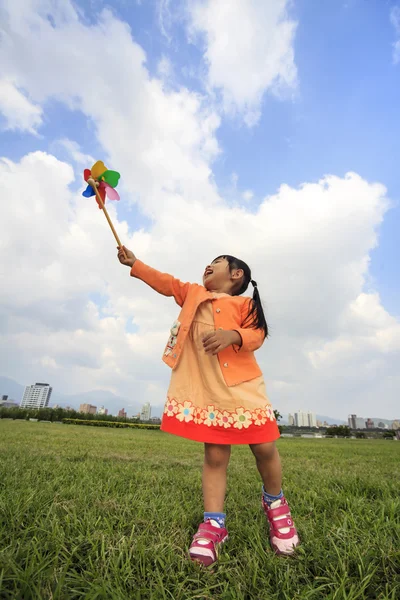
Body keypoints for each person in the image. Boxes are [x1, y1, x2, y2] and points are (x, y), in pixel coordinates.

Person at [117, 246, 299, 566]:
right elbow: (166, 282)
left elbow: (257, 334)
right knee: (215, 456)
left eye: (216, 263)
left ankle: (275, 503)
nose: (207, 267)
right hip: (207, 390)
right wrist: (136, 264)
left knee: (265, 447)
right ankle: (214, 523)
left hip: (243, 390)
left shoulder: (245, 304)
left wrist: (232, 335)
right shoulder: (192, 293)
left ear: (236, 274)